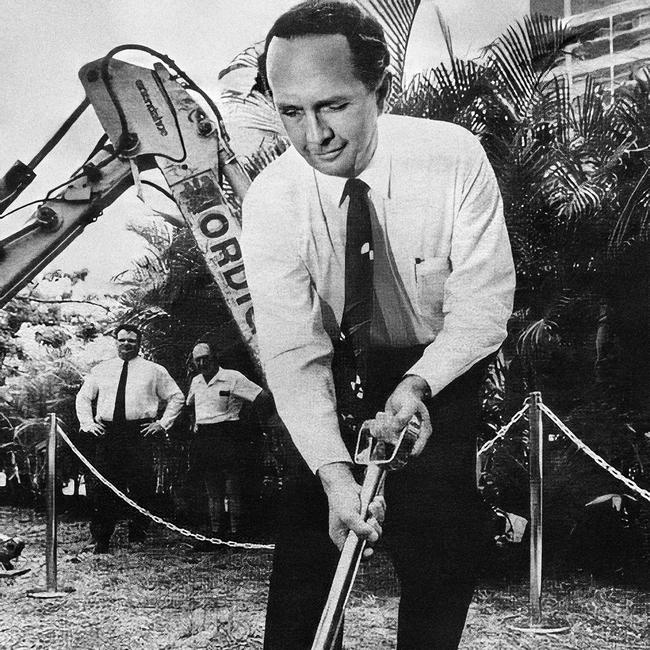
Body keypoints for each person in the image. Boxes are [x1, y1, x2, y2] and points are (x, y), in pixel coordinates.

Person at [241, 2, 516, 648]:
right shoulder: (272, 200)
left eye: (332, 105)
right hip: (335, 374)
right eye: (290, 112)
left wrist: (420, 386)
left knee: (438, 573)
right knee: (300, 594)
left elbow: (482, 305)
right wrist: (335, 477)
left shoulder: (453, 160)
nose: (314, 135)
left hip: (439, 370)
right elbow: (292, 352)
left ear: (382, 89)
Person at [75, 324, 184, 553]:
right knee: (104, 485)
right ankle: (101, 538)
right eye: (122, 340)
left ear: (139, 344)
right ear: (116, 341)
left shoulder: (154, 370)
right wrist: (87, 424)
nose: (126, 344)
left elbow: (176, 397)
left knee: (140, 484)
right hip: (108, 433)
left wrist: (162, 424)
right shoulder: (102, 370)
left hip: (139, 433)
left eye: (131, 341)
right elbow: (83, 398)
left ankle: (138, 534)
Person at [186, 342, 270, 545]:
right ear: (194, 362)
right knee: (212, 489)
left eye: (206, 357)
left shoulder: (233, 377)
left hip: (229, 434)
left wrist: (253, 425)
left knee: (233, 487)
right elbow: (190, 404)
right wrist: (194, 423)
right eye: (198, 359)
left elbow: (262, 397)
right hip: (205, 437)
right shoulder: (196, 381)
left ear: (214, 357)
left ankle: (236, 534)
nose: (203, 362)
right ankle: (216, 533)